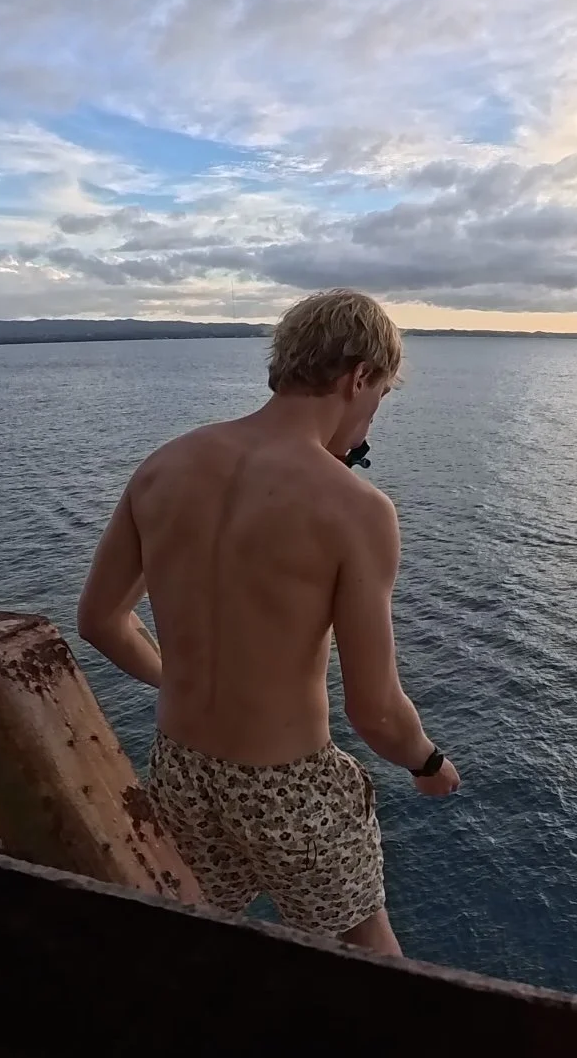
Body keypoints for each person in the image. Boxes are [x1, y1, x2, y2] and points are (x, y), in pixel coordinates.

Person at [77, 288, 460, 956]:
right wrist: (428, 762)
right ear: (358, 377)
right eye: (380, 397)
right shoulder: (356, 509)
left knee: (191, 930)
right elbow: (375, 711)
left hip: (181, 769)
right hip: (288, 787)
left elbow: (100, 620)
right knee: (368, 952)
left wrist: (180, 679)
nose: (369, 424)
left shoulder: (163, 467)